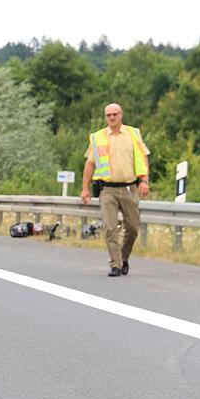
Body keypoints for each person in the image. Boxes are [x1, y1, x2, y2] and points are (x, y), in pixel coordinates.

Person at [80, 103, 150, 277]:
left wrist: (144, 181)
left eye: (115, 114)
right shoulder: (98, 137)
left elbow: (142, 158)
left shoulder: (133, 134)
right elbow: (90, 164)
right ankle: (116, 264)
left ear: (121, 115)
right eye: (108, 115)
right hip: (107, 190)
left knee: (133, 227)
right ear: (105, 117)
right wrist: (85, 188)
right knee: (110, 228)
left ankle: (124, 257)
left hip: (129, 187)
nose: (112, 117)